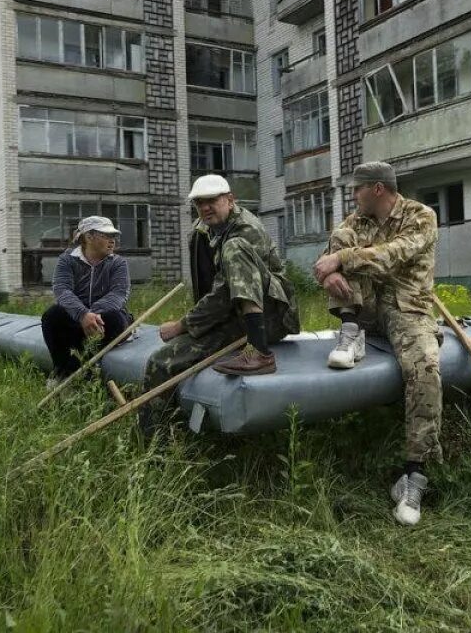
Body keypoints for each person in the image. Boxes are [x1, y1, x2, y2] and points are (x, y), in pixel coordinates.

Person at [311, 161, 443, 526]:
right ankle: (351, 332)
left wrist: (342, 260)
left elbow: (393, 255)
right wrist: (331, 269)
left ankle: (413, 476)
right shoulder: (355, 223)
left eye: (358, 189)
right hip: (365, 309)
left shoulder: (421, 216)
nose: (354, 196)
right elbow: (325, 258)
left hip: (407, 310)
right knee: (339, 242)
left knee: (426, 368)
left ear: (378, 189)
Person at [140, 174, 300, 428]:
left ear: (230, 200)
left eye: (212, 201)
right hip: (234, 315)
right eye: (199, 203)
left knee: (235, 248)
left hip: (271, 315)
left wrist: (183, 325)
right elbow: (212, 289)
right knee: (161, 361)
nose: (205, 208)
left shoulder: (246, 230)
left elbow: (224, 293)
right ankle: (156, 438)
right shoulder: (209, 229)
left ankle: (259, 352)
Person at [40, 216, 133, 383]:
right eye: (106, 236)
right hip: (76, 318)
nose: (112, 241)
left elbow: (119, 294)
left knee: (116, 319)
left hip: (103, 319)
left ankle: (82, 374)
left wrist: (93, 314)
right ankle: (62, 372)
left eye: (114, 237)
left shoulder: (118, 263)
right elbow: (62, 290)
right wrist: (82, 315)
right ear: (89, 237)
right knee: (52, 316)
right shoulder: (67, 260)